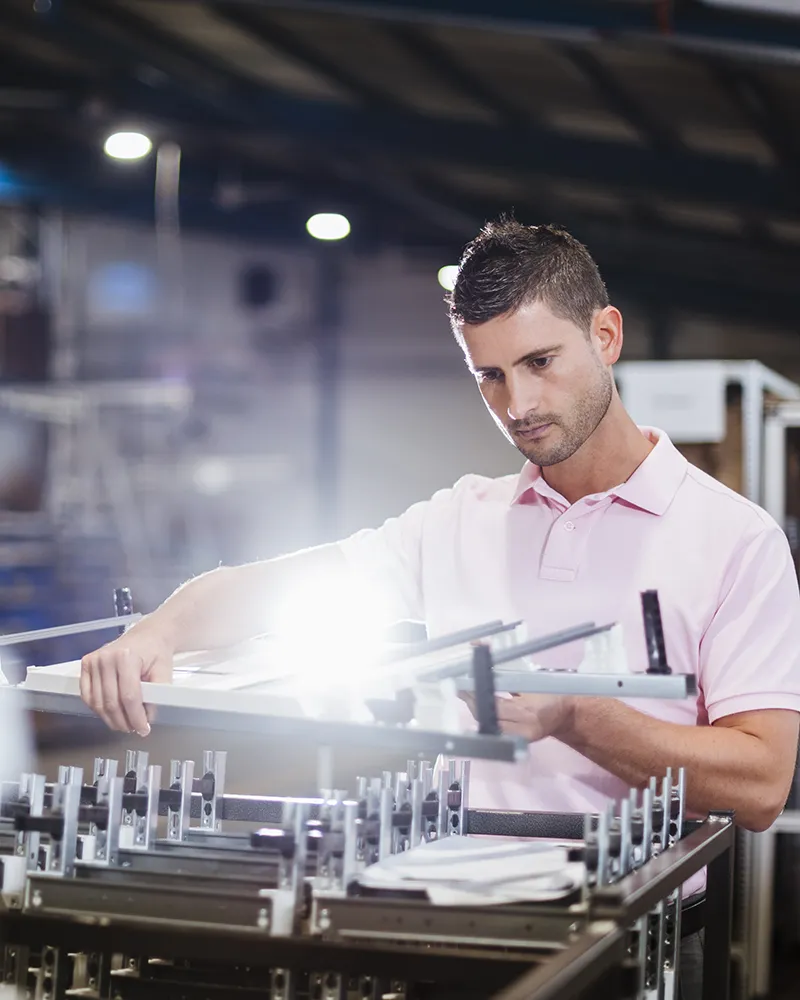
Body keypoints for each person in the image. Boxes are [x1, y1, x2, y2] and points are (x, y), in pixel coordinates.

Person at [81, 221, 800, 997]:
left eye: (539, 362)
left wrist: (580, 718)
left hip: (637, 942)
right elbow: (278, 584)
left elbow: (761, 783)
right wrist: (161, 627)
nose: (517, 403)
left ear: (606, 334)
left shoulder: (734, 540)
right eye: (488, 375)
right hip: (456, 932)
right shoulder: (459, 521)